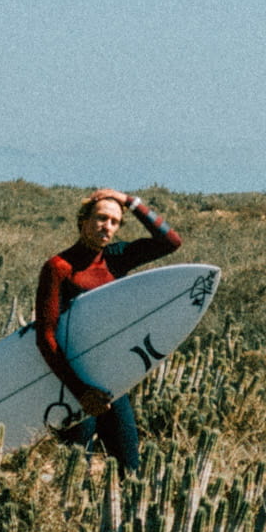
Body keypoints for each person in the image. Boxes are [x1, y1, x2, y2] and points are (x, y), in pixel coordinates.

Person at [34, 188, 181, 471]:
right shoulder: (58, 268)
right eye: (101, 218)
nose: (108, 226)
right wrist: (80, 392)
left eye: (114, 221)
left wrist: (130, 202)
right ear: (83, 221)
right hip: (71, 384)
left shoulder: (117, 257)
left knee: (130, 467)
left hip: (110, 381)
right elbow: (46, 337)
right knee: (75, 473)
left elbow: (171, 241)